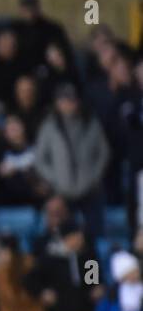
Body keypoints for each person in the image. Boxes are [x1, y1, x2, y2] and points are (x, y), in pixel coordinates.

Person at [34, 83, 110, 238]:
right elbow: (40, 159)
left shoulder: (90, 122)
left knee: (95, 235)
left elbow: (103, 152)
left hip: (90, 190)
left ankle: (93, 263)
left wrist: (94, 176)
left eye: (71, 100)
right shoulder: (49, 126)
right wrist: (55, 178)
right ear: (57, 103)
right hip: (62, 191)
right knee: (62, 236)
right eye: (64, 100)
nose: (68, 104)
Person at [24, 218, 101, 311]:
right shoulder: (49, 258)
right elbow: (30, 280)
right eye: (75, 236)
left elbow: (94, 283)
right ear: (66, 238)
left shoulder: (89, 257)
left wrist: (97, 290)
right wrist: (42, 293)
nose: (79, 240)